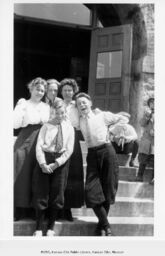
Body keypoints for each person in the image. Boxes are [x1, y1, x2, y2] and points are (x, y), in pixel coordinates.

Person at [75, 92, 129, 236]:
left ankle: (103, 227)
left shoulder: (102, 115)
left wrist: (112, 130)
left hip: (107, 151)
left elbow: (124, 118)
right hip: (92, 154)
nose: (82, 105)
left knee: (108, 188)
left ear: (91, 103)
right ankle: (106, 225)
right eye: (79, 104)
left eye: (84, 102)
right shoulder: (79, 120)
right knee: (90, 191)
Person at [32, 99, 75, 236]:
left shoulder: (69, 128)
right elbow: (39, 145)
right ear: (52, 112)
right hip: (45, 159)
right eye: (56, 113)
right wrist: (43, 163)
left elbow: (69, 149)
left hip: (60, 162)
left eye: (61, 113)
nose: (59, 115)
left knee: (57, 193)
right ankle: (38, 228)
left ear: (65, 113)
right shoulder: (46, 126)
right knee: (41, 192)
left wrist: (57, 163)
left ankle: (51, 228)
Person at [14, 77, 50, 220]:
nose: (40, 92)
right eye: (37, 89)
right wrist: (20, 107)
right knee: (21, 172)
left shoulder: (46, 107)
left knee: (37, 176)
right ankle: (19, 209)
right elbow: (15, 124)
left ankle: (33, 210)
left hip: (41, 139)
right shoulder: (24, 103)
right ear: (31, 89)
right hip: (25, 138)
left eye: (42, 90)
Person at [58, 78, 84, 221]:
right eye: (65, 90)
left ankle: (68, 209)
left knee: (73, 174)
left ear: (74, 92)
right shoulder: (57, 104)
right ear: (61, 91)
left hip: (73, 139)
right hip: (59, 137)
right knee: (60, 173)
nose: (68, 92)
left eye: (70, 90)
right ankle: (57, 208)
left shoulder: (77, 106)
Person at [136, 97, 154, 182]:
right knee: (143, 158)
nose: (153, 104)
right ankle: (139, 176)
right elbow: (142, 124)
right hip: (147, 140)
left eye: (154, 102)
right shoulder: (147, 113)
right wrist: (147, 116)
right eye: (151, 103)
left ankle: (154, 179)